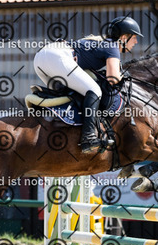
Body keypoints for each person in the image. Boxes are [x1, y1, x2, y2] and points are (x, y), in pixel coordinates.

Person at [34, 16, 142, 154]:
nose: (136, 42)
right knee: (94, 91)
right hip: (56, 57)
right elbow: (113, 78)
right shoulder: (113, 46)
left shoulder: (100, 42)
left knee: (70, 94)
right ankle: (88, 137)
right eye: (134, 37)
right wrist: (123, 76)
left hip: (41, 59)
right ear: (124, 37)